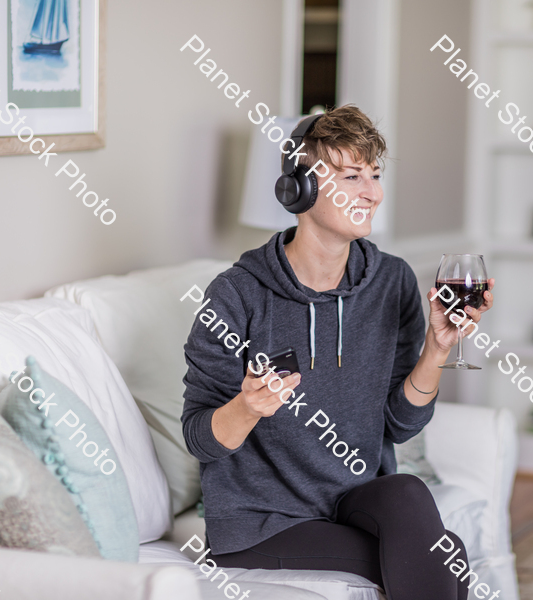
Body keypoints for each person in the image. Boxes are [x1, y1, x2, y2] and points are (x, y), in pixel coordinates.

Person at [181, 104, 494, 600]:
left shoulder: (391, 281)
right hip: (263, 522)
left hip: (352, 497)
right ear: (299, 188)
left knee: (408, 491)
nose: (372, 192)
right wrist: (246, 408)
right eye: (352, 176)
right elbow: (200, 439)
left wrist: (436, 350)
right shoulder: (237, 295)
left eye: (374, 174)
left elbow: (399, 425)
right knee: (444, 554)